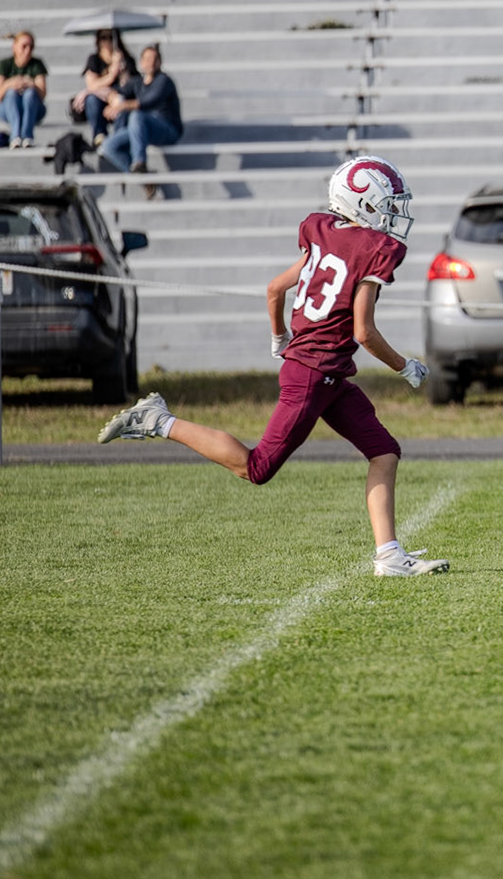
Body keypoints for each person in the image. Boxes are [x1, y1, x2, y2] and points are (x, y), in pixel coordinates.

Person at [97, 157, 449, 577]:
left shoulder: (322, 232)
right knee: (257, 467)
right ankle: (159, 420)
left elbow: (274, 288)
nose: (393, 214)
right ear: (364, 204)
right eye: (387, 204)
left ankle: (389, 557)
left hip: (324, 371)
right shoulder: (375, 250)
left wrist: (280, 337)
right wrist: (404, 367)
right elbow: (364, 331)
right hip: (315, 373)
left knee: (384, 451)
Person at [101, 44, 181, 174]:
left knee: (136, 115)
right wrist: (113, 97)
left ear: (160, 62)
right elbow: (118, 91)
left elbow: (149, 102)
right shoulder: (137, 82)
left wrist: (122, 105)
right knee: (108, 146)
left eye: (156, 59)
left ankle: (139, 161)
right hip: (142, 129)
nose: (152, 63)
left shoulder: (164, 81)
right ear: (141, 62)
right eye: (148, 59)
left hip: (167, 128)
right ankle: (141, 177)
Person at [70, 29, 138, 148]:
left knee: (122, 102)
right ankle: (99, 135)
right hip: (100, 100)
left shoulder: (127, 59)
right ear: (98, 41)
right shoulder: (94, 59)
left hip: (119, 99)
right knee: (91, 99)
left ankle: (119, 139)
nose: (107, 41)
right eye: (103, 37)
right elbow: (92, 85)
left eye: (111, 37)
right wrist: (111, 75)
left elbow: (133, 86)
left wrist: (123, 71)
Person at [0, 30, 48, 148]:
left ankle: (27, 136)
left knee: (30, 94)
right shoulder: (4, 64)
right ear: (14, 47)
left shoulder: (37, 64)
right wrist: (10, 84)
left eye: (31, 47)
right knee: (11, 93)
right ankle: (16, 136)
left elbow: (42, 94)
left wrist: (31, 84)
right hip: (8, 109)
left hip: (33, 109)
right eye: (24, 46)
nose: (27, 50)